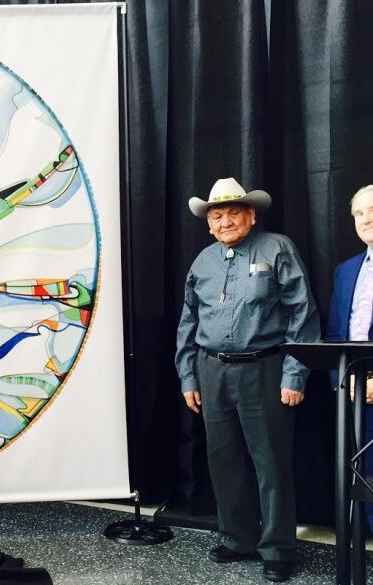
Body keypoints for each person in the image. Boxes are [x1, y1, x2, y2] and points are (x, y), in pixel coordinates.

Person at [175, 177, 320, 583]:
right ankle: (237, 539)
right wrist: (188, 375)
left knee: (270, 462)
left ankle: (277, 549)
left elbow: (302, 313)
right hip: (211, 369)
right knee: (224, 461)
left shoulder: (277, 248)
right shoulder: (202, 261)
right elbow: (188, 320)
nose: (224, 222)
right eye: (217, 216)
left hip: (265, 369)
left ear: (251, 215)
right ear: (208, 225)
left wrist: (295, 373)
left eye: (232, 213)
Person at [326, 184, 373, 527]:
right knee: (364, 474)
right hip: (354, 391)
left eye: (372, 210)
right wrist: (343, 384)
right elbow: (334, 336)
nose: (365, 219)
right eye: (359, 213)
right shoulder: (345, 271)